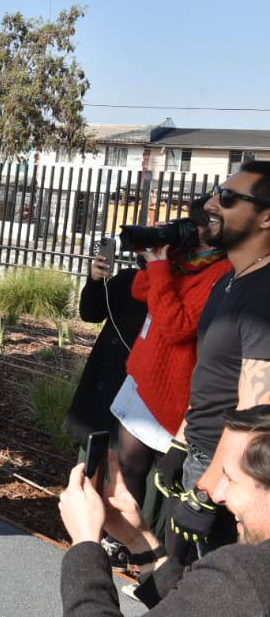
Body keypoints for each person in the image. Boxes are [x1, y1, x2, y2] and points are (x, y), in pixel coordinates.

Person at [58, 405, 270, 615]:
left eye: (231, 479)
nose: (217, 494)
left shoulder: (247, 574)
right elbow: (198, 608)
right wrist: (139, 540)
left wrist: (84, 546)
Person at [159, 162, 270, 557]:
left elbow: (256, 409)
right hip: (200, 456)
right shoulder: (228, 279)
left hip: (229, 476)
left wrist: (208, 488)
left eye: (227, 198)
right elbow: (213, 376)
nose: (210, 204)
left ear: (266, 217)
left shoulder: (264, 294)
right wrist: (178, 444)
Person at [111, 203, 230, 508]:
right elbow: (141, 292)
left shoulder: (221, 271)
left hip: (172, 387)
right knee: (127, 465)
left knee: (161, 480)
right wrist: (156, 258)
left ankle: (151, 545)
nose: (191, 230)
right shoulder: (185, 259)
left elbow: (177, 328)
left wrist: (162, 268)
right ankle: (121, 538)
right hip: (144, 374)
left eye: (198, 225)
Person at [64, 244, 147, 450]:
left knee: (124, 463)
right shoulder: (129, 279)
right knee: (92, 458)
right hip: (104, 381)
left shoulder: (177, 289)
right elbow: (90, 313)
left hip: (138, 392)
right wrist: (95, 280)